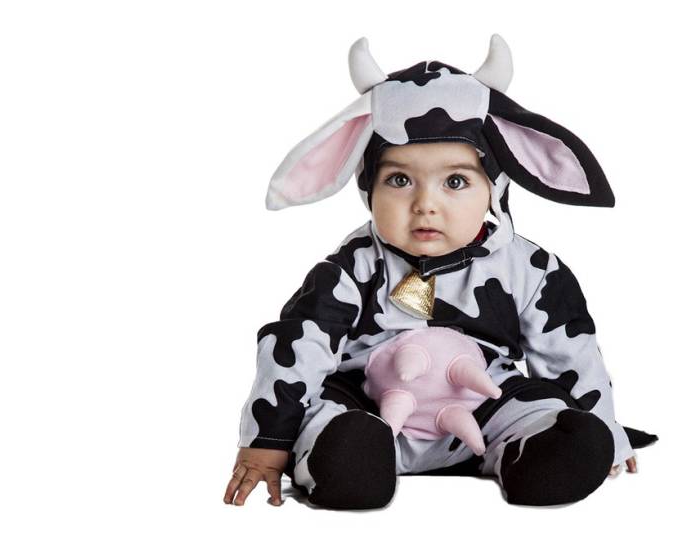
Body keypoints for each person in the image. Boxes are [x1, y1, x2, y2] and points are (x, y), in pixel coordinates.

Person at [224, 35, 657, 510]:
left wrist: (607, 430)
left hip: (484, 407)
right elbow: (298, 348)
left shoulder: (529, 269)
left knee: (548, 413)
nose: (425, 204)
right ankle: (348, 461)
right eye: (399, 180)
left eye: (455, 181)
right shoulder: (351, 268)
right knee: (327, 416)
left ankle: (536, 454)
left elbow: (571, 353)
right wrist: (267, 441)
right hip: (369, 409)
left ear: (494, 187)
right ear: (367, 188)